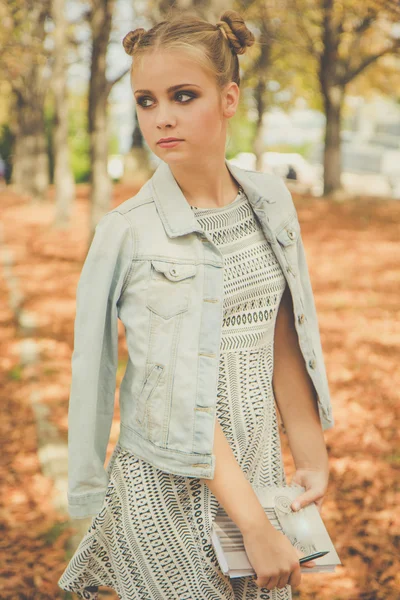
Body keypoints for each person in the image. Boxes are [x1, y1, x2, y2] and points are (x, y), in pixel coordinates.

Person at [58, 9, 334, 600]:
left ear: (228, 98)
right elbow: (162, 384)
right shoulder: (128, 230)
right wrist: (255, 528)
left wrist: (309, 452)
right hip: (164, 488)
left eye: (183, 96)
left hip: (257, 471)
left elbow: (281, 333)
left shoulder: (270, 201)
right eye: (146, 101)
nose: (162, 118)